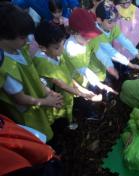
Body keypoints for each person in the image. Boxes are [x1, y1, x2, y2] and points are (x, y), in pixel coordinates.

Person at [0, 2, 64, 141]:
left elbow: (33, 75)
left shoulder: (20, 50)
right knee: (38, 136)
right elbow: (20, 98)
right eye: (23, 37)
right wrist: (47, 101)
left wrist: (48, 92)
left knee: (46, 125)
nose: (28, 40)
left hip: (38, 100)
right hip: (27, 112)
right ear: (4, 38)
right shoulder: (5, 66)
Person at [33, 21, 103, 125]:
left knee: (64, 104)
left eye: (62, 44)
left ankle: (69, 118)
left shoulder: (56, 53)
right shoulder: (43, 62)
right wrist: (83, 94)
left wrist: (80, 89)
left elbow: (66, 75)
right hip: (46, 94)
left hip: (59, 89)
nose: (62, 49)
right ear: (43, 48)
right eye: (57, 47)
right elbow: (61, 84)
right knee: (54, 115)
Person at [12, 0, 80, 26]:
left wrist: (75, 9)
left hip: (67, 18)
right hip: (49, 23)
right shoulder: (34, 1)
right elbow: (16, 4)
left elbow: (73, 3)